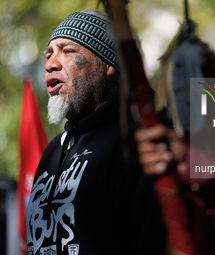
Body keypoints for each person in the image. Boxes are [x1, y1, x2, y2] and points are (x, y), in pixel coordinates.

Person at [25, 10, 166, 255]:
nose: (50, 64)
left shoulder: (140, 140)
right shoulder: (53, 150)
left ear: (108, 64)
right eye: (49, 54)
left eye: (68, 51)